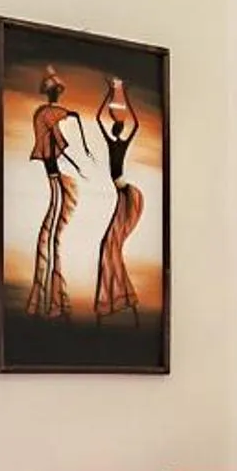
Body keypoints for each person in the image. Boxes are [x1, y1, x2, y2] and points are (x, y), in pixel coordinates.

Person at [26, 67, 89, 320]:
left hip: (57, 180)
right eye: (55, 90)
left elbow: (60, 141)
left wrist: (76, 163)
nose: (57, 94)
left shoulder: (46, 119)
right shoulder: (45, 115)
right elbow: (65, 115)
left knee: (54, 235)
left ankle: (53, 299)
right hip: (55, 182)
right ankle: (49, 300)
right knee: (53, 235)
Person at [93, 78, 145, 325]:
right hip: (121, 196)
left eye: (117, 125)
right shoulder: (113, 142)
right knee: (109, 247)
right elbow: (98, 119)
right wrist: (109, 95)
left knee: (109, 246)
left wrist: (126, 99)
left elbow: (135, 124)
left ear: (118, 129)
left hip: (127, 195)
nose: (115, 127)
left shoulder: (121, 142)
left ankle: (123, 302)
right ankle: (122, 302)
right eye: (116, 125)